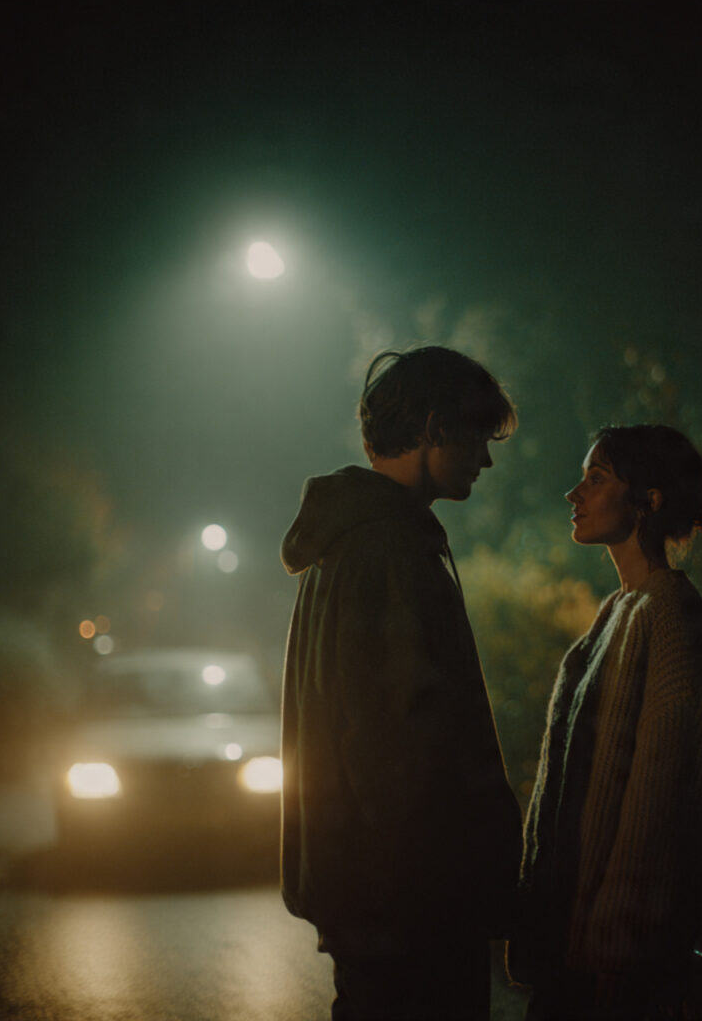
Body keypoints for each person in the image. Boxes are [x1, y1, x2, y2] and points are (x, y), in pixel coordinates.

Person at [279, 346, 523, 1021]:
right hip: (410, 907)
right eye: (477, 436)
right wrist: (453, 883)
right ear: (436, 429)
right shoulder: (388, 549)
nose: (485, 459)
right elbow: (397, 746)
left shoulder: (347, 542)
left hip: (375, 902)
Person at [508, 424, 702, 1021]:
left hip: (612, 958)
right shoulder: (619, 608)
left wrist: (621, 943)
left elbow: (665, 790)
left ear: (647, 501)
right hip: (572, 934)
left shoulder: (668, 611)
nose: (574, 494)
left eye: (596, 478)